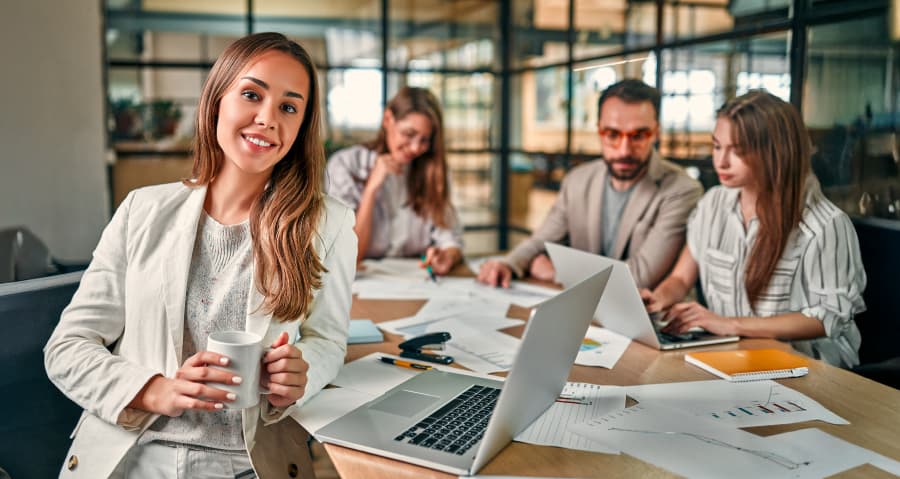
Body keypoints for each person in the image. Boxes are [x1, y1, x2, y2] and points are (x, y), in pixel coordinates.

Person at [44, 33, 356, 478]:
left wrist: (301, 376)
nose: (267, 119)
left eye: (289, 107)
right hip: (135, 453)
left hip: (249, 462)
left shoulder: (328, 224)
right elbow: (67, 348)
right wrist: (155, 391)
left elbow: (327, 340)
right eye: (252, 94)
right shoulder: (142, 210)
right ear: (217, 101)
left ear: (302, 125)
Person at [640, 90, 866, 368]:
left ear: (774, 152)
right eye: (716, 146)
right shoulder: (713, 203)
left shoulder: (825, 224)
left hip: (808, 367)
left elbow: (828, 317)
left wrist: (730, 325)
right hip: (733, 358)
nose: (721, 161)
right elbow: (681, 278)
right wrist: (659, 298)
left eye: (738, 151)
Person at [478, 79, 702, 288]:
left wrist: (558, 273)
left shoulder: (682, 191)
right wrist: (508, 264)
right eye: (612, 134)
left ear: (656, 133)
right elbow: (541, 241)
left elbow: (640, 276)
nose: (624, 150)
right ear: (599, 131)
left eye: (639, 135)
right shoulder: (578, 180)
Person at [326, 86, 463, 275]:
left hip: (417, 281)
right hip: (363, 286)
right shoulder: (345, 165)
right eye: (409, 134)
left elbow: (451, 239)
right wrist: (372, 188)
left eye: (424, 140)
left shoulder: (433, 171)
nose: (415, 148)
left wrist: (447, 255)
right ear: (388, 119)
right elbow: (348, 254)